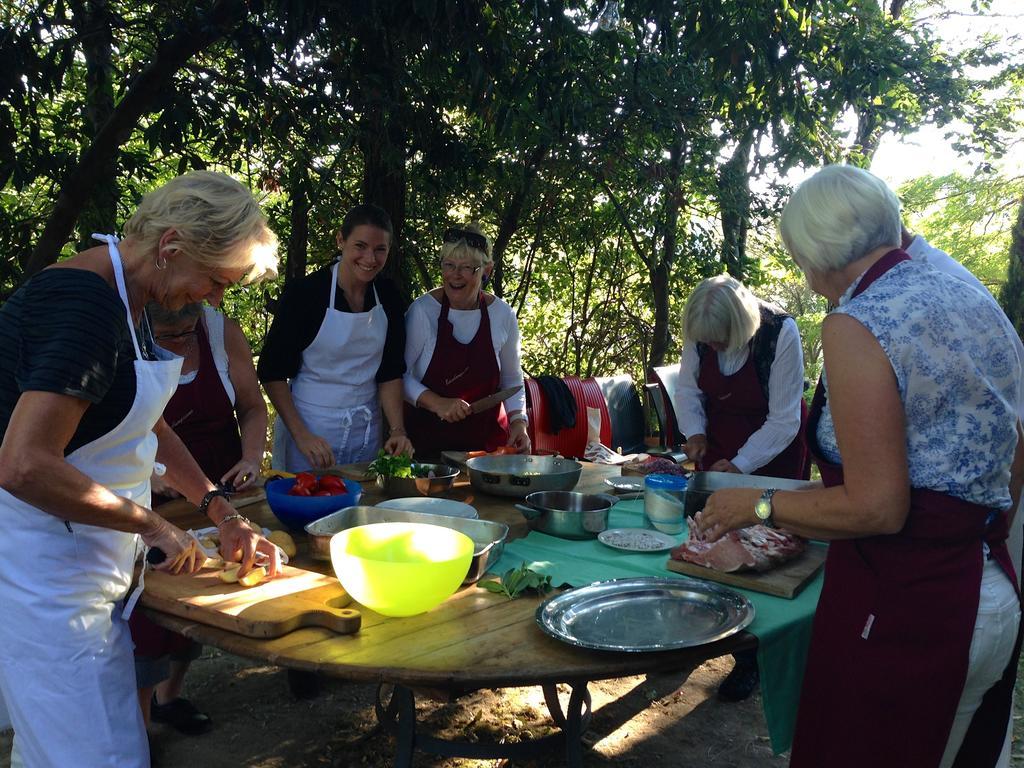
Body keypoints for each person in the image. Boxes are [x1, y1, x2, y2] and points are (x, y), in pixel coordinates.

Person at [694, 164, 1022, 768]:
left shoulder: (856, 322)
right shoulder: (971, 296)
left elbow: (878, 506)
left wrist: (758, 503)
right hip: (992, 593)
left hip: (912, 609)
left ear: (816, 255)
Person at [0, 170, 282, 767]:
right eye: (213, 280)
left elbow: (142, 421)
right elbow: (23, 465)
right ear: (172, 244)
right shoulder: (85, 306)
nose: (213, 300)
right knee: (95, 758)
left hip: (87, 567)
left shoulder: (131, 298)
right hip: (44, 576)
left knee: (62, 752)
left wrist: (218, 509)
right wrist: (151, 524)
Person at [130, 300, 269, 736]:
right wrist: (150, 478)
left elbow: (251, 405)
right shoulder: (127, 333)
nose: (180, 342)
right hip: (151, 492)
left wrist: (250, 457)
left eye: (188, 334)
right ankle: (137, 726)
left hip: (218, 486)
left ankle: (170, 695)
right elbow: (130, 430)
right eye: (169, 337)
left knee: (205, 589)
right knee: (148, 607)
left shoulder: (222, 332)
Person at [673, 273, 809, 702]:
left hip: (775, 452)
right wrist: (695, 432)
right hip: (722, 447)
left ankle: (750, 657)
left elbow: (785, 419)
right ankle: (693, 633)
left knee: (760, 553)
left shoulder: (779, 335)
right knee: (707, 540)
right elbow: (689, 389)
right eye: (705, 342)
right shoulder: (701, 331)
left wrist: (744, 464)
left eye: (718, 342)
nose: (710, 348)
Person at [902, 225, 1024, 590]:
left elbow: (1013, 431)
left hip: (989, 508)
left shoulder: (935, 285)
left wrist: (994, 540)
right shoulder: (916, 278)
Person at [258, 204, 413, 471]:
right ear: (341, 240)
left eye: (380, 250)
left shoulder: (388, 295)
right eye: (360, 246)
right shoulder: (306, 294)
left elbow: (390, 372)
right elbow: (272, 372)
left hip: (366, 428)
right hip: (310, 430)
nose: (370, 258)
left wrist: (398, 430)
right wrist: (302, 435)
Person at [403, 225, 531, 460]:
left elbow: (512, 379)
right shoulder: (422, 312)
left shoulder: (502, 315)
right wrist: (437, 403)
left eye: (467, 268)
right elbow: (399, 376)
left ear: (487, 270)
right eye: (449, 265)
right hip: (427, 452)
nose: (455, 274)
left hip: (486, 453)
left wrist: (518, 422)